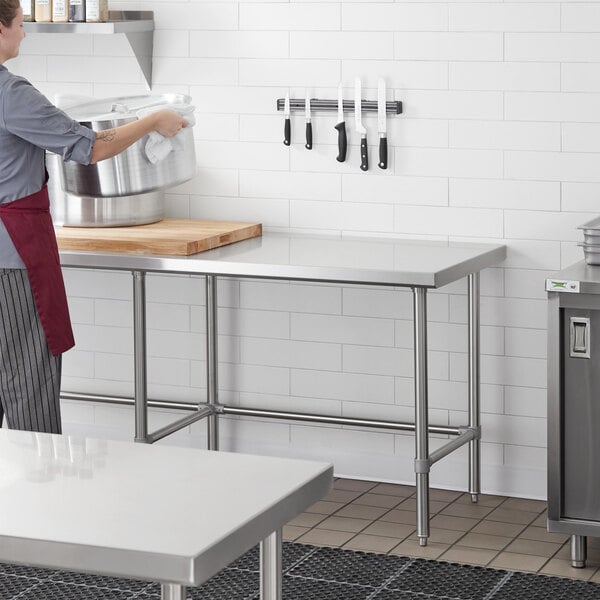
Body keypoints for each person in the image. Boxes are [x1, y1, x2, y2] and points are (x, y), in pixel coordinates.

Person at [0, 0, 188, 434]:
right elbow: (90, 147)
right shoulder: (11, 95)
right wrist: (153, 119)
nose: (25, 33)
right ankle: (42, 492)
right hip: (12, 262)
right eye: (19, 24)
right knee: (29, 384)